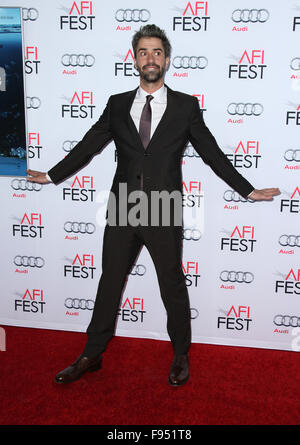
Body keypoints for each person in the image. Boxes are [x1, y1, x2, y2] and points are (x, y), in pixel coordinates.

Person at [27, 24, 280, 386]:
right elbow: (87, 146)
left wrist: (248, 190)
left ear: (166, 59)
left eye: (157, 52)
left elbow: (212, 154)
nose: (150, 58)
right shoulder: (117, 104)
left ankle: (180, 354)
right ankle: (91, 354)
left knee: (171, 284)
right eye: (144, 52)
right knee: (109, 282)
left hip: (163, 206)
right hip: (125, 205)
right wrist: (52, 175)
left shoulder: (185, 106)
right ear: (135, 58)